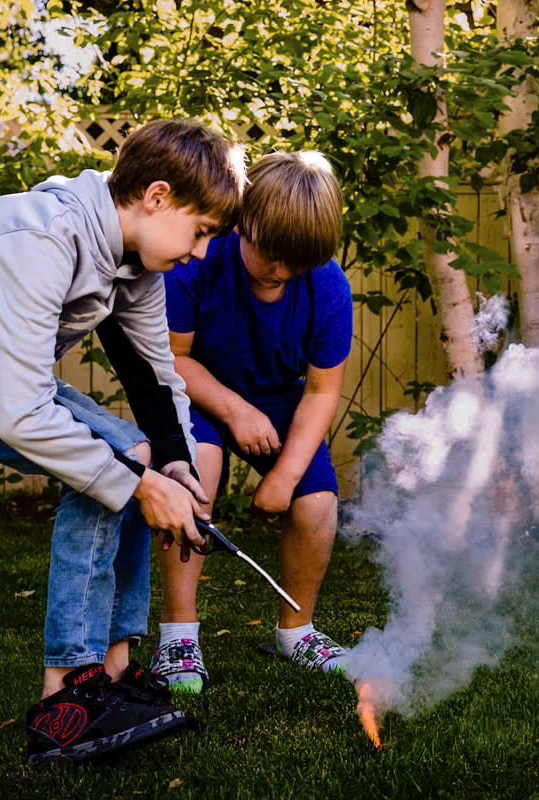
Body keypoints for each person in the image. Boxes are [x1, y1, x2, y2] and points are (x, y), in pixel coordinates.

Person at [0, 119, 245, 763]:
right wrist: (139, 480)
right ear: (158, 196)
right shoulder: (39, 237)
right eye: (200, 232)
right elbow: (24, 417)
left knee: (140, 457)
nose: (200, 252)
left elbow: (153, 373)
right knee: (115, 462)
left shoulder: (133, 261)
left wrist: (175, 464)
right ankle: (66, 699)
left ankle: (112, 675)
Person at [151, 151, 352, 694]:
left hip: (285, 403)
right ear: (243, 223)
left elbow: (321, 390)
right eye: (266, 251)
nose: (278, 269)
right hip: (201, 390)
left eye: (295, 261)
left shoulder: (330, 287)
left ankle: (297, 632)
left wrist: (285, 477)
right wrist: (236, 411)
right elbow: (173, 360)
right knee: (195, 472)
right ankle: (178, 636)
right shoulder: (197, 261)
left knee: (316, 504)